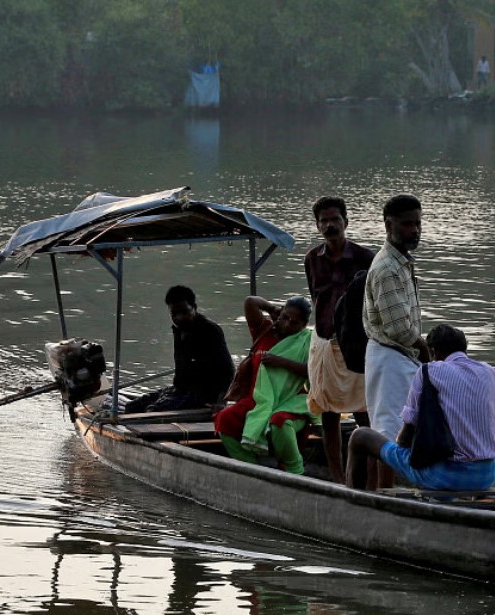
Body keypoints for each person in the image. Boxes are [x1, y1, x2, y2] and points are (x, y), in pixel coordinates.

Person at [346, 325, 495, 492]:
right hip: (488, 475)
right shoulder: (488, 371)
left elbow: (406, 437)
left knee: (360, 436)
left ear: (434, 352)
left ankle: (354, 501)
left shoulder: (428, 371)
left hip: (447, 476)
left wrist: (399, 447)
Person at [304, 195, 376, 483]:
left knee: (364, 412)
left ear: (346, 221)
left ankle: (371, 482)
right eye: (324, 221)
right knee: (328, 412)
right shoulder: (312, 259)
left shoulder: (365, 258)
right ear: (317, 226)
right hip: (323, 341)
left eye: (335, 219)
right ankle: (337, 479)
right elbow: (315, 297)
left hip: (356, 345)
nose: (330, 225)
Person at [363, 193, 429, 489]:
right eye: (406, 224)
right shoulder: (387, 267)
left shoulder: (401, 261)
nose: (414, 230)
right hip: (390, 356)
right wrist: (428, 349)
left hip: (402, 356)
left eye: (417, 223)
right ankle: (383, 495)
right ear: (388, 225)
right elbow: (398, 328)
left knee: (395, 430)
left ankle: (384, 490)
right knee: (388, 433)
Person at [214, 295, 313, 474]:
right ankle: (253, 469)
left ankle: (294, 469)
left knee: (280, 422)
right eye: (285, 317)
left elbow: (313, 373)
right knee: (224, 419)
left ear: (303, 325)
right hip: (257, 398)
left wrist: (281, 362)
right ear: (280, 313)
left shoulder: (307, 341)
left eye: (294, 322)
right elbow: (250, 302)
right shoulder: (264, 329)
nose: (286, 324)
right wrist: (271, 309)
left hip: (289, 400)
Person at [122, 285, 234, 414]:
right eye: (174, 314)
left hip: (203, 394)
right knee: (131, 407)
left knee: (153, 411)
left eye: (184, 312)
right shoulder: (179, 330)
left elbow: (228, 371)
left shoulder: (210, 331)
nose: (179, 318)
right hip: (180, 390)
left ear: (194, 308)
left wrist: (221, 402)